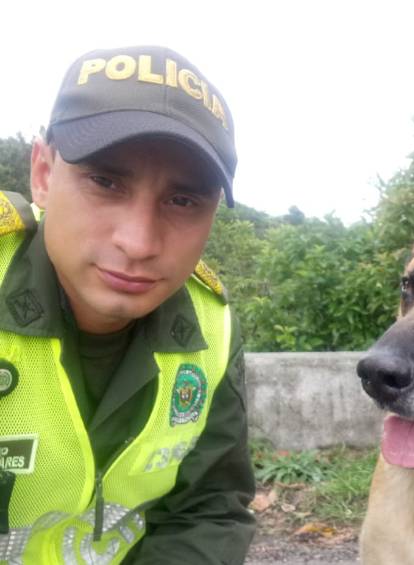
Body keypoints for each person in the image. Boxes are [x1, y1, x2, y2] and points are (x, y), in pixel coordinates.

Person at [0, 45, 256, 564]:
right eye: (105, 181)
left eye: (182, 200)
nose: (139, 242)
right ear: (44, 173)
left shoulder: (213, 327)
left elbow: (208, 509)